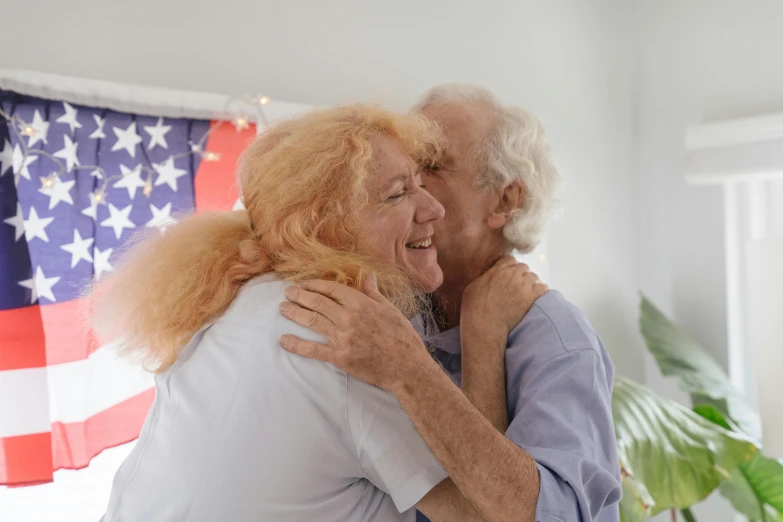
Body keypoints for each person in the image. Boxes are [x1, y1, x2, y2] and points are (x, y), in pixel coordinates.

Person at [91, 104, 544, 522]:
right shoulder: (341, 338)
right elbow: (490, 513)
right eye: (396, 195)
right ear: (324, 229)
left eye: (421, 183)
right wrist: (483, 335)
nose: (434, 209)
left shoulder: (239, 294)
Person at [279, 84, 623, 522]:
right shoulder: (390, 308)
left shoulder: (559, 341)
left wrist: (454, 351)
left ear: (504, 201)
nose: (409, 185)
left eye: (431, 167)